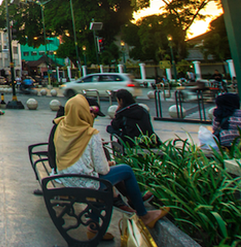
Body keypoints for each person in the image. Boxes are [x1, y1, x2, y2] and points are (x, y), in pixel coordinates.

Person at [54, 95, 168, 238]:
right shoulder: (89, 134)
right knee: (125, 170)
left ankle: (94, 228)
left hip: (64, 179)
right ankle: (143, 214)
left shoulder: (62, 127)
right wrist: (109, 163)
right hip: (83, 183)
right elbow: (102, 169)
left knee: (104, 184)